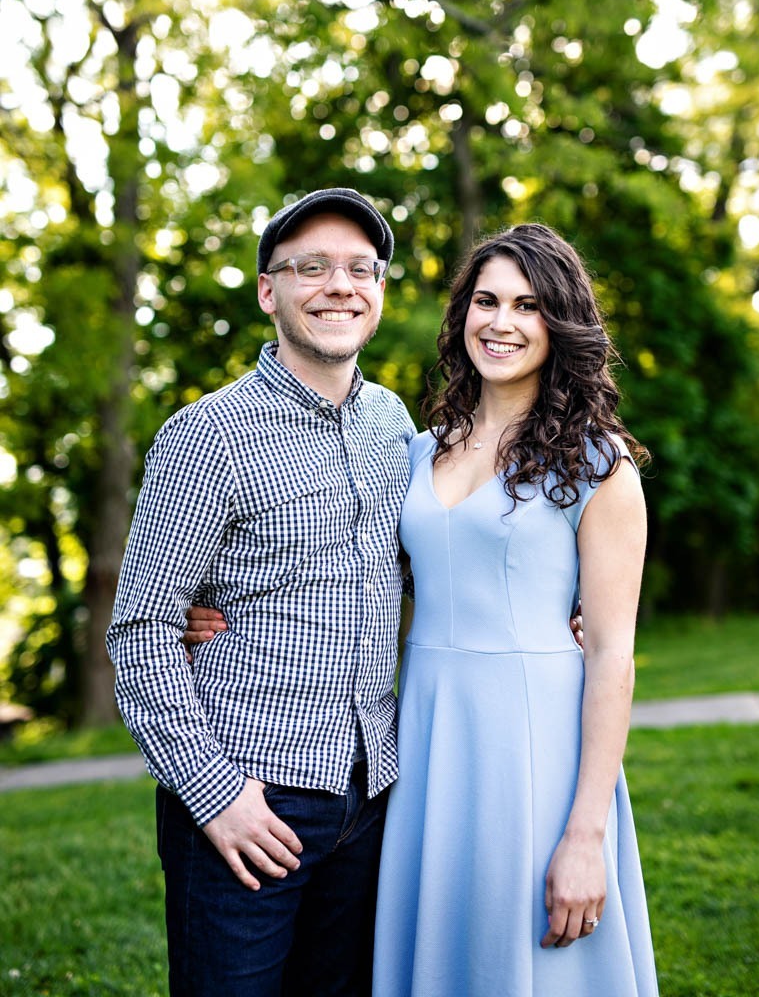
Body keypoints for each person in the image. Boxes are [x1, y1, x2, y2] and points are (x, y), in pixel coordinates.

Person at [107, 187, 417, 997]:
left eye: (359, 268)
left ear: (380, 291)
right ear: (267, 291)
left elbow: (428, 561)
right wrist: (215, 795)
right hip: (250, 796)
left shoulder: (393, 424)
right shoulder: (207, 434)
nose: (339, 285)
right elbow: (142, 626)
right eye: (310, 267)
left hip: (369, 793)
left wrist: (564, 599)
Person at [371, 223, 659, 996]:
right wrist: (218, 611)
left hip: (535, 747)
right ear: (462, 312)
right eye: (487, 300)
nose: (501, 322)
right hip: (430, 736)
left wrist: (585, 835)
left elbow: (612, 654)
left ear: (558, 324)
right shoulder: (416, 448)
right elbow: (358, 582)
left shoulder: (600, 463)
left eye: (528, 306)